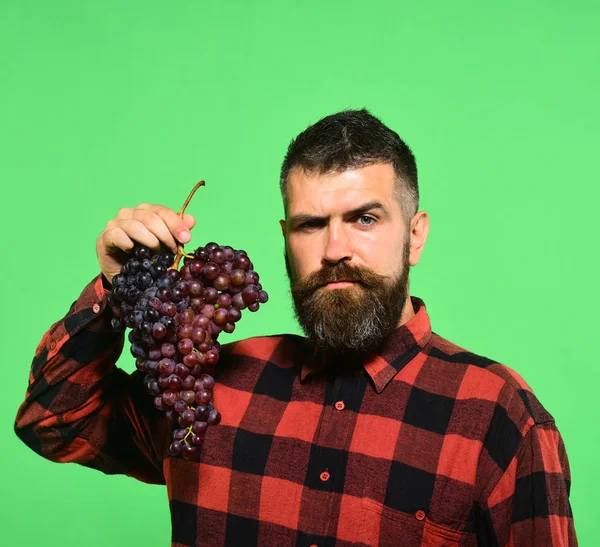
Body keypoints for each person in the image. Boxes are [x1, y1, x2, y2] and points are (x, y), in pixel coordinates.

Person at [14, 109, 576, 546]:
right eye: (311, 225)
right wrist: (118, 286)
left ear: (416, 235)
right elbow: (53, 419)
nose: (335, 250)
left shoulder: (499, 418)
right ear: (285, 237)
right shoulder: (210, 386)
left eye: (364, 218)